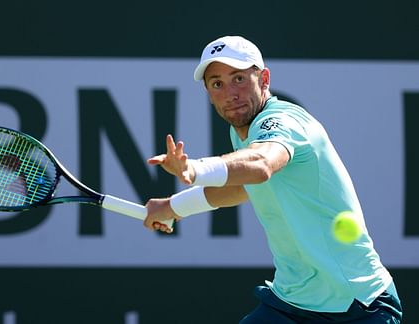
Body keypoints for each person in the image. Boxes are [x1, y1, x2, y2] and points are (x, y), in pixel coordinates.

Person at [143, 36, 403, 323]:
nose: (231, 93)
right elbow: (244, 186)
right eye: (217, 83)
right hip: (292, 301)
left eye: (239, 78)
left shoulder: (284, 120)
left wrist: (194, 169)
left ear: (263, 78)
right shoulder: (243, 129)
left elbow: (262, 164)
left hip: (356, 306)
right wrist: (174, 206)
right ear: (208, 92)